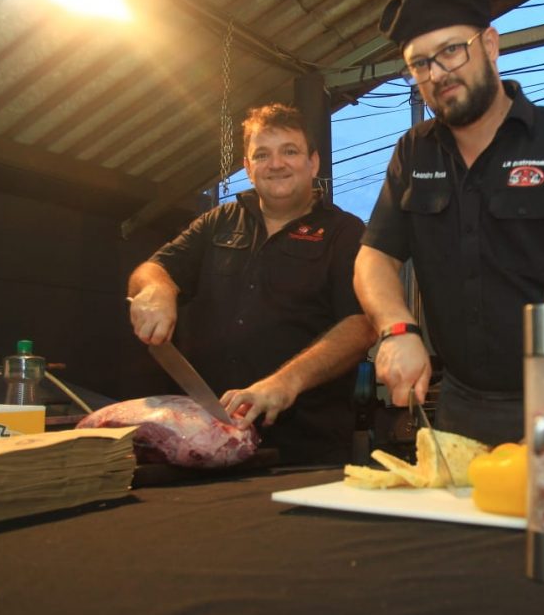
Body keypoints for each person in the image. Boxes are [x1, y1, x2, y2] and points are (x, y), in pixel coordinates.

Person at [353, 0, 544, 447]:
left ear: (490, 45)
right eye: (420, 63)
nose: (437, 72)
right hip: (457, 409)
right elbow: (374, 259)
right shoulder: (413, 152)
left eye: (451, 51)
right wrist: (396, 329)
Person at [128, 103, 375, 465]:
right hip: (204, 441)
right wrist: (156, 288)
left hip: (304, 448)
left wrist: (283, 383)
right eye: (263, 154)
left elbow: (360, 326)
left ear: (313, 163)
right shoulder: (219, 221)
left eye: (289, 151)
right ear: (247, 167)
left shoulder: (345, 232)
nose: (276, 164)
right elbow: (152, 269)